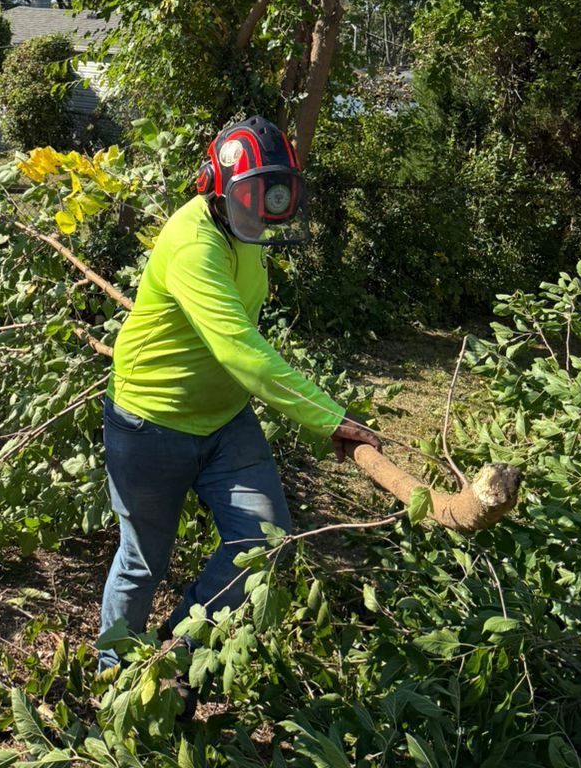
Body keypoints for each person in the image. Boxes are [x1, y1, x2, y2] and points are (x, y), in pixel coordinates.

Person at [98, 115, 381, 696]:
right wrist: (327, 416)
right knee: (143, 560)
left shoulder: (244, 235)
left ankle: (171, 659)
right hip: (149, 423)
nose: (262, 209)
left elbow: (244, 345)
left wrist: (317, 419)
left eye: (274, 193)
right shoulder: (193, 243)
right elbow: (241, 349)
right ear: (217, 186)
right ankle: (112, 675)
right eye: (250, 194)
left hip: (226, 421)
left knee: (264, 543)